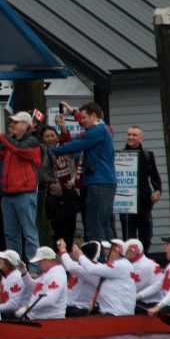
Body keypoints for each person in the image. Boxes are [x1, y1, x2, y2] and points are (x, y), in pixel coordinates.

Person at [50, 102, 116, 242]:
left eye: (84, 118)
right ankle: (110, 258)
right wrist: (73, 113)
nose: (81, 121)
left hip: (99, 181)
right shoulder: (101, 129)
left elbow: (75, 145)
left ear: (93, 116)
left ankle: (99, 260)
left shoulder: (98, 131)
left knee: (95, 224)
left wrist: (48, 151)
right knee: (103, 223)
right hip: (101, 181)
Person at [0, 111, 41, 261]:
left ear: (26, 125)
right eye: (11, 122)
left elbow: (18, 148)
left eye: (16, 122)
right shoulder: (10, 142)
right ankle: (15, 266)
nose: (12, 125)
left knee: (29, 232)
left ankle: (34, 267)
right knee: (10, 234)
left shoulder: (32, 141)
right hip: (8, 195)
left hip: (25, 194)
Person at [117, 126, 162, 251]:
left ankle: (144, 259)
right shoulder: (119, 156)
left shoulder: (148, 156)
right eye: (129, 134)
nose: (130, 137)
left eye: (134, 135)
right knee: (129, 239)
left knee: (146, 237)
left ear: (141, 138)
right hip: (126, 206)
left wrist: (157, 191)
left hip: (144, 203)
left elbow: (155, 177)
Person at [66, 238, 136, 315]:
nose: (105, 252)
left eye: (109, 249)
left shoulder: (121, 265)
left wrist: (80, 256)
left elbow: (92, 269)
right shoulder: (120, 265)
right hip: (111, 312)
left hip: (117, 314)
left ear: (117, 250)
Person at [41, 124, 78, 247]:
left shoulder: (65, 149)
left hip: (69, 193)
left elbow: (74, 167)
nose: (50, 138)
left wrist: (72, 182)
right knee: (58, 229)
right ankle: (60, 254)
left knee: (70, 228)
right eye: (47, 136)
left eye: (52, 135)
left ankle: (68, 254)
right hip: (53, 196)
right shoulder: (42, 154)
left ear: (57, 137)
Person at [17, 247, 68, 319]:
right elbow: (34, 287)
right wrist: (24, 272)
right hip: (40, 319)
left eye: (40, 261)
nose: (38, 264)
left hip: (51, 322)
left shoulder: (57, 275)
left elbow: (50, 300)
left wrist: (27, 308)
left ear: (49, 261)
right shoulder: (49, 273)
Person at [60, 240, 102, 316]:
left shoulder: (96, 271)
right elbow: (67, 264)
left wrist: (63, 250)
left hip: (81, 310)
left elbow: (70, 266)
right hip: (70, 307)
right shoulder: (81, 266)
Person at [126, 238, 162, 306]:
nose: (124, 253)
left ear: (134, 252)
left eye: (127, 251)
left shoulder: (141, 267)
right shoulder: (145, 261)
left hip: (150, 302)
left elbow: (130, 289)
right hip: (149, 298)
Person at [0, 249, 30, 318]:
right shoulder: (6, 276)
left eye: (2, 259)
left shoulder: (17, 278)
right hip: (9, 315)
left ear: (8, 262)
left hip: (18, 319)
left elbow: (13, 305)